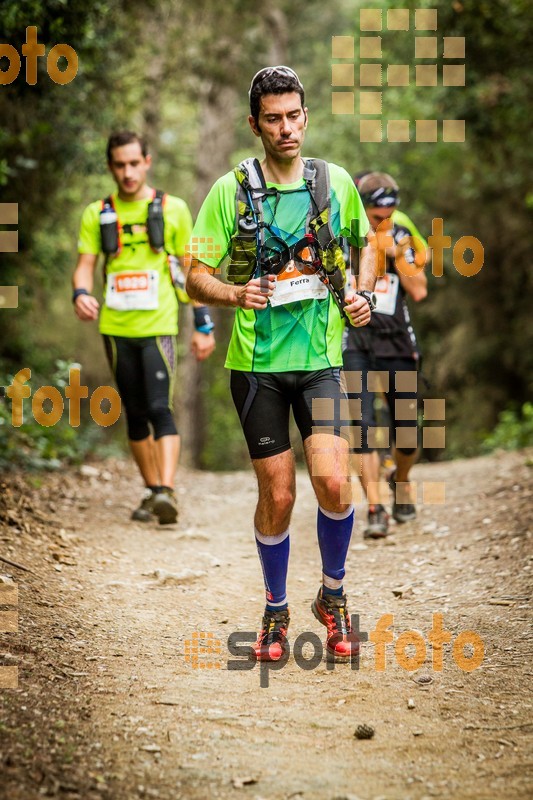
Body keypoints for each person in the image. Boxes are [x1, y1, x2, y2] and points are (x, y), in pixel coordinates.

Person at [185, 66, 377, 662]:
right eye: (273, 118)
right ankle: (274, 608)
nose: (286, 128)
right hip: (257, 366)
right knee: (279, 493)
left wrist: (362, 294)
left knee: (331, 480)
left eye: (294, 115)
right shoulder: (229, 191)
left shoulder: (334, 182)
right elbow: (194, 277)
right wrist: (234, 294)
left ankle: (333, 595)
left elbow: (365, 244)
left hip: (321, 358)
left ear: (306, 115)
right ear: (255, 124)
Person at [73, 131, 215, 524]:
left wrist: (203, 324)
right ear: (110, 167)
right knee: (134, 413)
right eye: (119, 165)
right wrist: (80, 294)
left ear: (147, 162)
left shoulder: (174, 209)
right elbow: (85, 264)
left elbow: (192, 270)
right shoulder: (96, 212)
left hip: (159, 326)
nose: (128, 172)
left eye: (134, 163)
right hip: (116, 327)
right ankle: (153, 490)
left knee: (159, 406)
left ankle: (167, 491)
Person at [343, 172, 428, 539]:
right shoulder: (344, 228)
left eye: (389, 212)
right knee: (363, 429)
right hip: (354, 342)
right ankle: (375, 508)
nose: (384, 220)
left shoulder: (403, 231)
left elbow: (420, 290)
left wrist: (393, 252)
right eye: (377, 215)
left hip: (396, 342)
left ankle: (401, 481)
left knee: (407, 432)